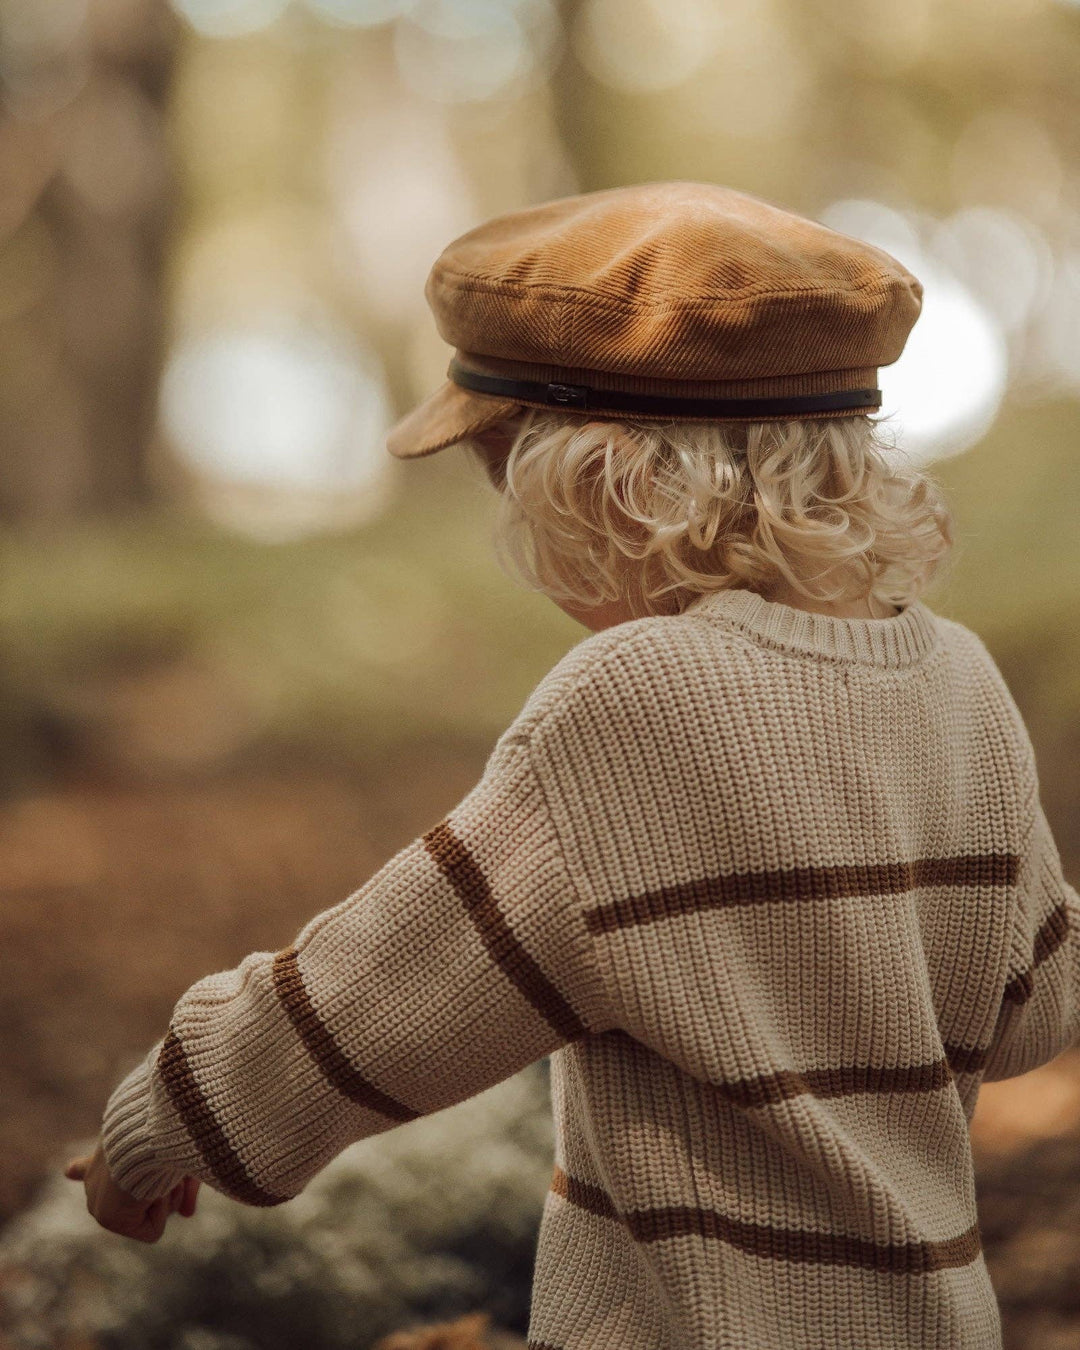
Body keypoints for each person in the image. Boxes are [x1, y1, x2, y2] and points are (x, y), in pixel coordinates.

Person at [67, 182, 1079, 1349]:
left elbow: (380, 991)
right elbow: (1034, 1011)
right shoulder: (961, 678)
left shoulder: (630, 702)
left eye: (508, 482)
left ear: (610, 487)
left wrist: (169, 1119)